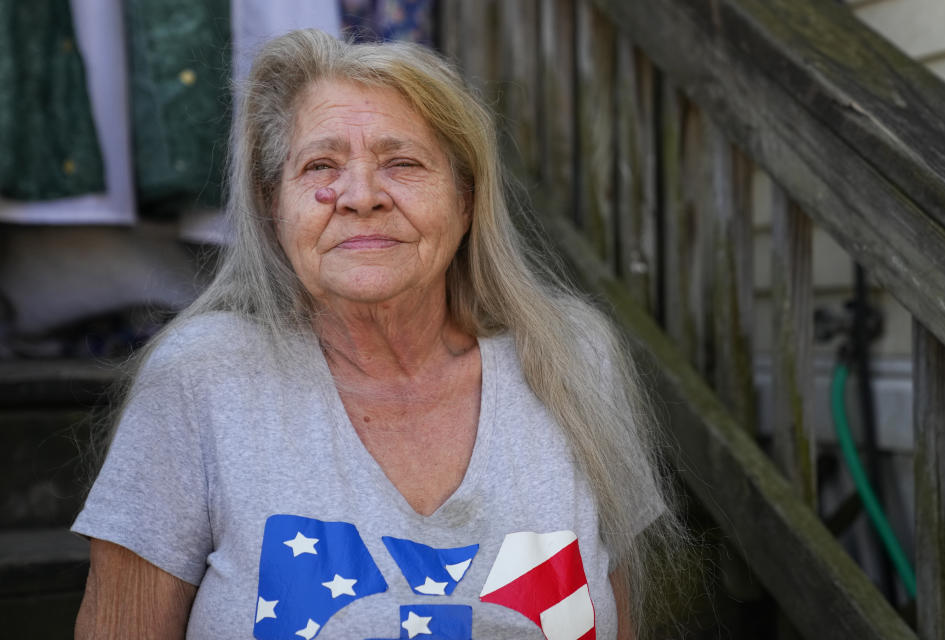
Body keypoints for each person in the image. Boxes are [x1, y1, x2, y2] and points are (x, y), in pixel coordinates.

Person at [73, 29, 683, 639]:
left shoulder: (572, 357)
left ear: (466, 200)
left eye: (402, 163)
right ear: (272, 207)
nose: (361, 197)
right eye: (321, 166)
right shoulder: (203, 379)